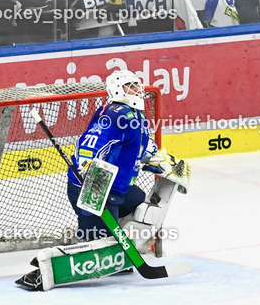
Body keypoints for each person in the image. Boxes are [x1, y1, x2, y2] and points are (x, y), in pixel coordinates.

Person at [16, 69, 160, 291]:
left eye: (136, 85)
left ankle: (117, 252)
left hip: (117, 187)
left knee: (140, 202)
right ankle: (46, 273)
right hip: (94, 186)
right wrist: (85, 162)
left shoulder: (133, 112)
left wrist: (154, 154)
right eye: (130, 86)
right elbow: (93, 140)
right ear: (117, 90)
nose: (137, 90)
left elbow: (138, 141)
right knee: (94, 242)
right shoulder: (115, 114)